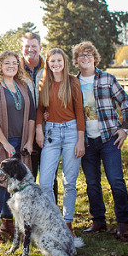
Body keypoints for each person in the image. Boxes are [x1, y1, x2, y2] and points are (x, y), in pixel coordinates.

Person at [72, 40, 128, 240]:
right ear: (76, 61)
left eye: (88, 54)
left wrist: (125, 128)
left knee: (116, 180)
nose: (85, 58)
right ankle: (98, 221)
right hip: (86, 140)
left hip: (109, 138)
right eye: (81, 55)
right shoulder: (73, 83)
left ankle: (123, 223)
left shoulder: (107, 79)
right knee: (92, 183)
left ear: (94, 58)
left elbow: (125, 102)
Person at [0, 50, 36, 244]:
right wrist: (5, 143)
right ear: (0, 65)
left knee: (14, 186)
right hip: (1, 142)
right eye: (7, 63)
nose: (11, 66)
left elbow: (32, 116)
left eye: (14, 63)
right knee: (0, 184)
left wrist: (29, 141)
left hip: (21, 142)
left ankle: (7, 222)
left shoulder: (23, 86)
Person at [34, 48, 85, 234]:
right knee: (45, 183)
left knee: (69, 182)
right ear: (48, 63)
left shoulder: (72, 82)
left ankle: (68, 223)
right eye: (52, 61)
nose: (56, 64)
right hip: (51, 133)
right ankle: (54, 221)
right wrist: (39, 130)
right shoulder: (44, 83)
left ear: (64, 62)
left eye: (59, 61)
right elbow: (40, 110)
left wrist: (81, 140)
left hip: (72, 132)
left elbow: (79, 111)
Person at [20, 32, 59, 203]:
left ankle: (51, 213)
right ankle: (29, 215)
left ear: (40, 48)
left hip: (48, 129)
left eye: (34, 46)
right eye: (27, 46)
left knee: (49, 176)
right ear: (21, 49)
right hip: (24, 130)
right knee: (26, 176)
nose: (30, 49)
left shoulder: (50, 67)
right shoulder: (15, 69)